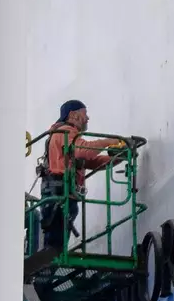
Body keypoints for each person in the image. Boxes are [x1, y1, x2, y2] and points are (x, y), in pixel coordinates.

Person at [24, 100, 120, 278]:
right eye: (84, 114)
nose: (87, 118)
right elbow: (86, 151)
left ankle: (40, 272)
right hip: (60, 196)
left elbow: (91, 161)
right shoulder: (65, 132)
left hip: (63, 195)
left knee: (57, 243)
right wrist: (110, 141)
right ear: (73, 115)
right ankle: (34, 272)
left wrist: (117, 158)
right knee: (55, 245)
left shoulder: (65, 137)